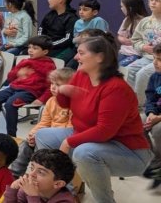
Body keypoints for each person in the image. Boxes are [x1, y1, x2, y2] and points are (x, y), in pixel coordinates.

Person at [35, 32, 152, 203]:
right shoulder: (81, 75)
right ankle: (63, 191)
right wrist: (62, 91)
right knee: (43, 135)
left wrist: (68, 142)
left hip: (129, 151)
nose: (76, 57)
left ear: (100, 57)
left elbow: (104, 131)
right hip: (91, 139)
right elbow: (65, 104)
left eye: (81, 53)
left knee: (84, 153)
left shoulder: (116, 88)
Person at [9, 68, 74, 177]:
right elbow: (44, 122)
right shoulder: (51, 101)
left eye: (58, 85)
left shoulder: (73, 104)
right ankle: (14, 175)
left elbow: (69, 131)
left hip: (61, 142)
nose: (53, 87)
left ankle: (39, 177)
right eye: (52, 83)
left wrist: (43, 135)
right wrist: (33, 134)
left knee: (42, 153)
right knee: (25, 145)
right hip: (46, 137)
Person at [0, 36, 56, 137]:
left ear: (45, 51)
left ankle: (11, 136)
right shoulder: (24, 61)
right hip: (13, 88)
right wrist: (17, 73)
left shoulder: (49, 66)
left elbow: (51, 86)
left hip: (30, 92)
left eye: (35, 48)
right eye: (29, 47)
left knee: (10, 104)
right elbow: (10, 78)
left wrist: (41, 99)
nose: (30, 50)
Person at [4, 149, 77, 203]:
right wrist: (12, 190)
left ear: (58, 184)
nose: (31, 174)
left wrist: (33, 197)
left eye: (40, 172)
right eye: (32, 168)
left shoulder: (66, 201)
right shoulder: (26, 190)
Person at [130, 0, 161, 107]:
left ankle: (140, 105)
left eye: (157, 0)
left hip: (158, 59)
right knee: (130, 70)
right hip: (146, 57)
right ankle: (129, 100)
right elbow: (135, 40)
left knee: (142, 74)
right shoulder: (144, 22)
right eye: (151, 0)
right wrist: (143, 47)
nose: (153, 3)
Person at [38, 0, 78, 65]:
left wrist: (50, 45)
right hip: (46, 46)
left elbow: (68, 39)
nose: (48, 0)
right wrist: (41, 42)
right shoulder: (49, 15)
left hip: (61, 48)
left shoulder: (71, 18)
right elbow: (41, 29)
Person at [144, 45, 161, 190]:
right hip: (156, 113)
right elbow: (150, 98)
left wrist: (158, 118)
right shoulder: (155, 77)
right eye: (154, 58)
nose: (155, 62)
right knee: (137, 124)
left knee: (158, 130)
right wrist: (150, 113)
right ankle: (155, 159)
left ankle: (158, 164)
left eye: (160, 59)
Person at [117, 0, 148, 66]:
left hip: (135, 54)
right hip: (123, 51)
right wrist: (122, 39)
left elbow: (144, 41)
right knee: (109, 66)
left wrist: (133, 41)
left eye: (122, 6)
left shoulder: (144, 21)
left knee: (120, 67)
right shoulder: (127, 20)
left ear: (130, 8)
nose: (121, 9)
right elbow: (120, 35)